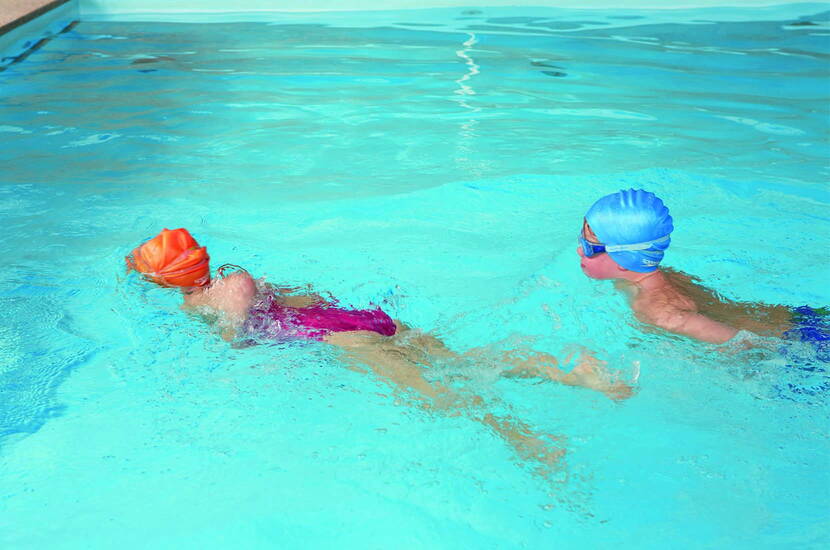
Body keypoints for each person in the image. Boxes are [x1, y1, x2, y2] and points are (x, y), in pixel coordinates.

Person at [126, 228, 631, 475]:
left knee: (433, 393)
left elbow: (239, 341)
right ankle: (578, 373)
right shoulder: (236, 276)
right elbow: (302, 295)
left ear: (166, 280)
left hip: (336, 337)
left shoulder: (215, 297)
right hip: (352, 319)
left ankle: (526, 440)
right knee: (460, 362)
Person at [576, 188, 809, 345]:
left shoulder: (659, 312)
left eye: (589, 246)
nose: (579, 250)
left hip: (799, 340)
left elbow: (745, 345)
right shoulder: (667, 276)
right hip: (795, 319)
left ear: (625, 261)